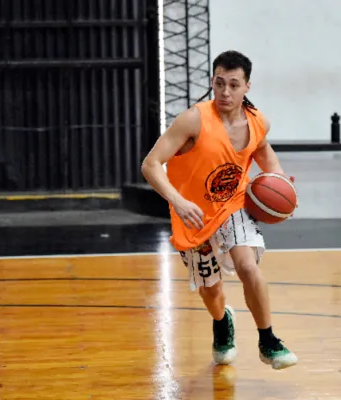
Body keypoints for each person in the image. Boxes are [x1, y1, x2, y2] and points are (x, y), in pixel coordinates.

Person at [141, 50, 298, 370]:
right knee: (212, 293)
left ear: (247, 87)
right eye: (219, 83)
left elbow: (270, 163)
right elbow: (151, 164)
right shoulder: (193, 119)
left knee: (247, 266)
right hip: (193, 214)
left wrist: (283, 191)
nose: (225, 92)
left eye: (234, 85)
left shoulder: (257, 122)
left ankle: (268, 340)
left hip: (233, 206)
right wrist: (179, 201)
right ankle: (221, 320)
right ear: (213, 81)